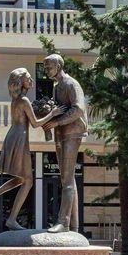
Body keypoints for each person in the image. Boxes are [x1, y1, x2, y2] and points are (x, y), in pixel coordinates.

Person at [0, 68, 62, 230]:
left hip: (14, 136)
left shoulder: (16, 100)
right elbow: (35, 123)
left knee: (23, 179)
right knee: (28, 181)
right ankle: (11, 219)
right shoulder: (24, 101)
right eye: (28, 78)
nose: (31, 81)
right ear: (21, 82)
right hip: (20, 138)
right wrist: (53, 113)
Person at [41, 53, 87, 233]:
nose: (46, 70)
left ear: (58, 67)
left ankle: (63, 223)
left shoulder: (71, 84)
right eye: (45, 67)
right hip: (61, 134)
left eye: (49, 67)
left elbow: (79, 109)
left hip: (72, 132)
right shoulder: (57, 87)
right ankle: (74, 226)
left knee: (67, 179)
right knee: (67, 179)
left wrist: (57, 122)